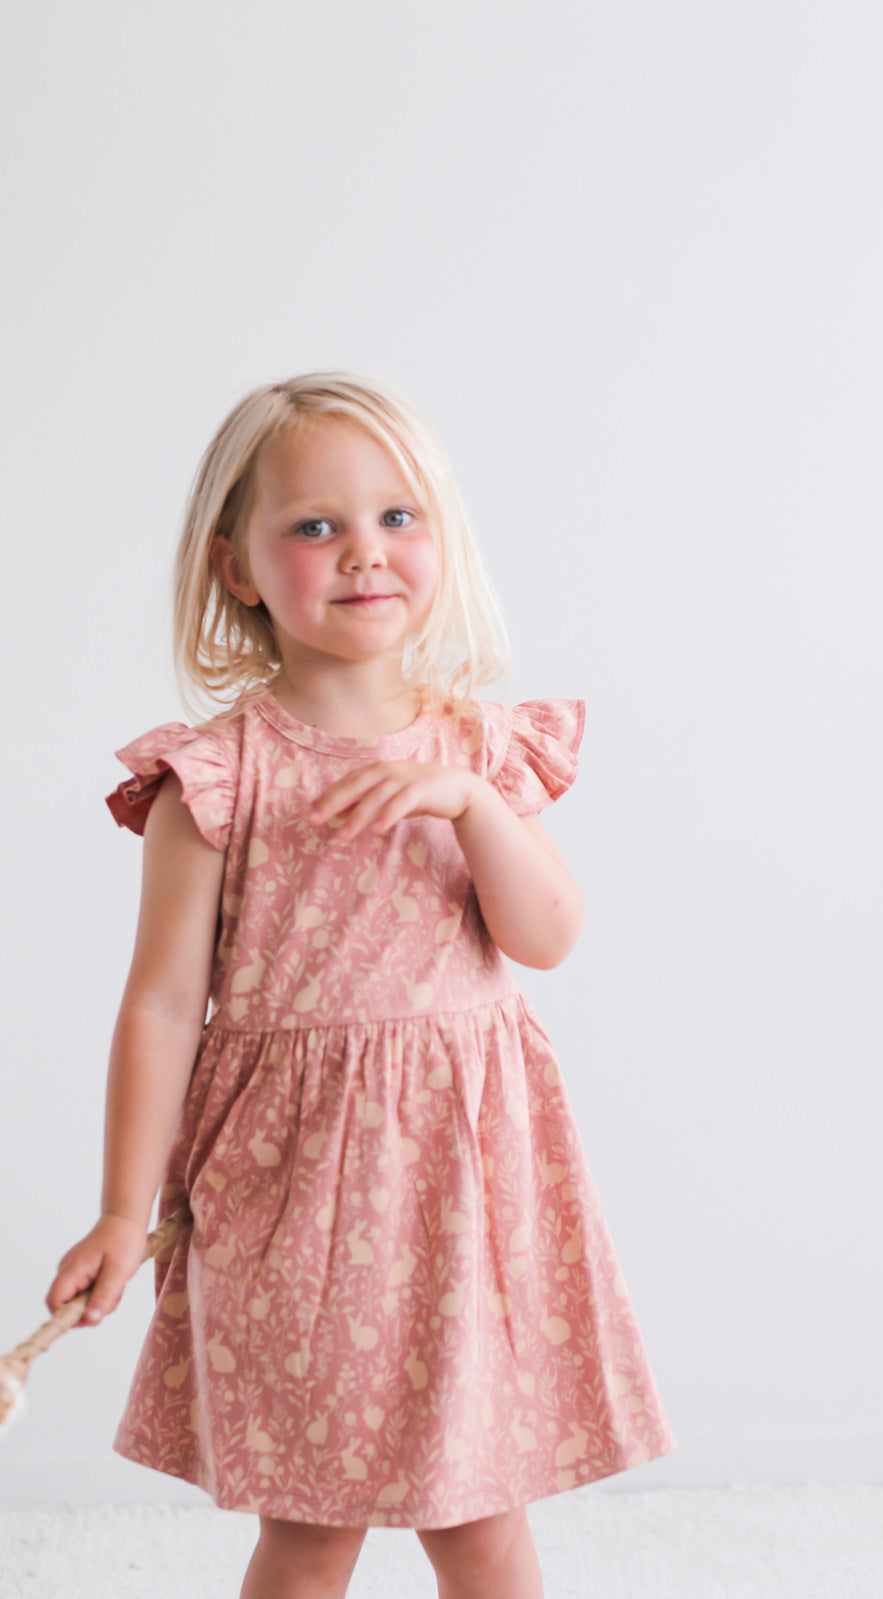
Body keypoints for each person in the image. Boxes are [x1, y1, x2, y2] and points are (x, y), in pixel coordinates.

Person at [46, 372, 677, 1598]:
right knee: (310, 1523)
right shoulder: (218, 780)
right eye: (315, 526)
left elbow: (547, 936)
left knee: (483, 1518)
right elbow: (164, 1006)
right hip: (294, 1195)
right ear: (237, 568)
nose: (364, 554)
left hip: (466, 1179)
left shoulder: (483, 750)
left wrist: (468, 804)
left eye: (398, 518)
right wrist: (123, 1212)